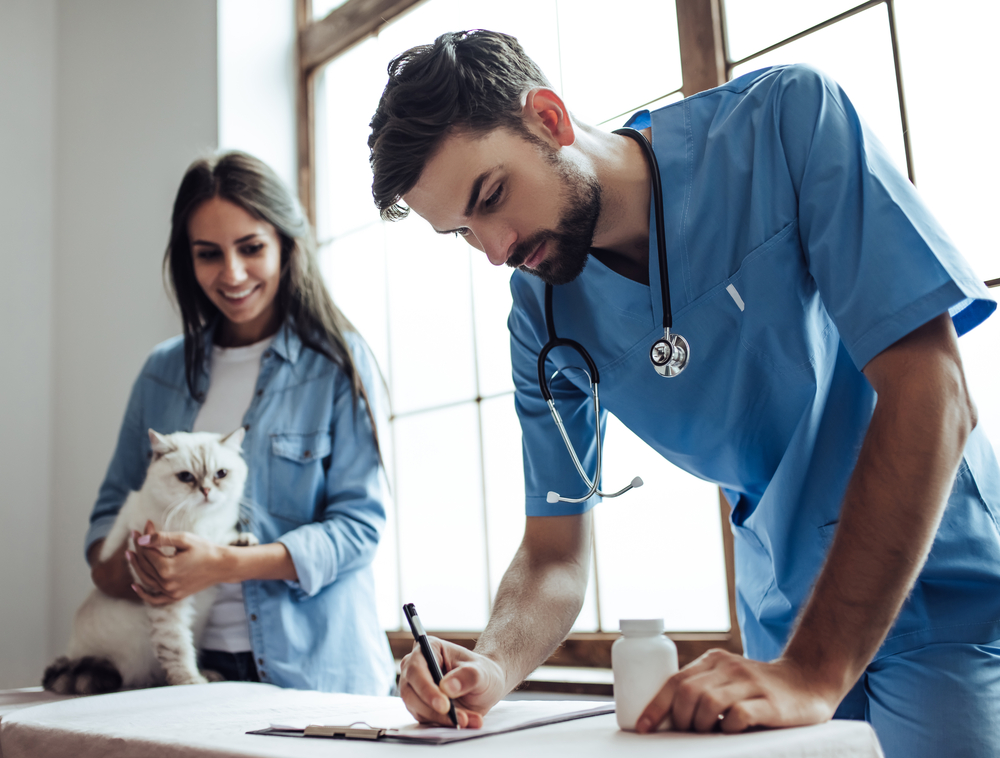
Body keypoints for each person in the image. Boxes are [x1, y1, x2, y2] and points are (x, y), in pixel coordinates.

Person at [367, 30, 1000, 756]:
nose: (497, 249)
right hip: (783, 619)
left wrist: (815, 669)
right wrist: (495, 662)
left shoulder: (786, 122)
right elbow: (553, 554)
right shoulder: (540, 315)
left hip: (932, 583)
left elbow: (935, 395)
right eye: (462, 232)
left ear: (549, 118)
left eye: (493, 196)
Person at [85, 151, 396, 695]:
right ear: (189, 261)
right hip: (179, 673)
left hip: (313, 672)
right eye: (208, 254)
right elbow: (105, 527)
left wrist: (223, 563)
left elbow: (358, 530)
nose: (231, 274)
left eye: (251, 248)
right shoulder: (161, 372)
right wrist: (137, 570)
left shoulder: (337, 363)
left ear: (285, 243)